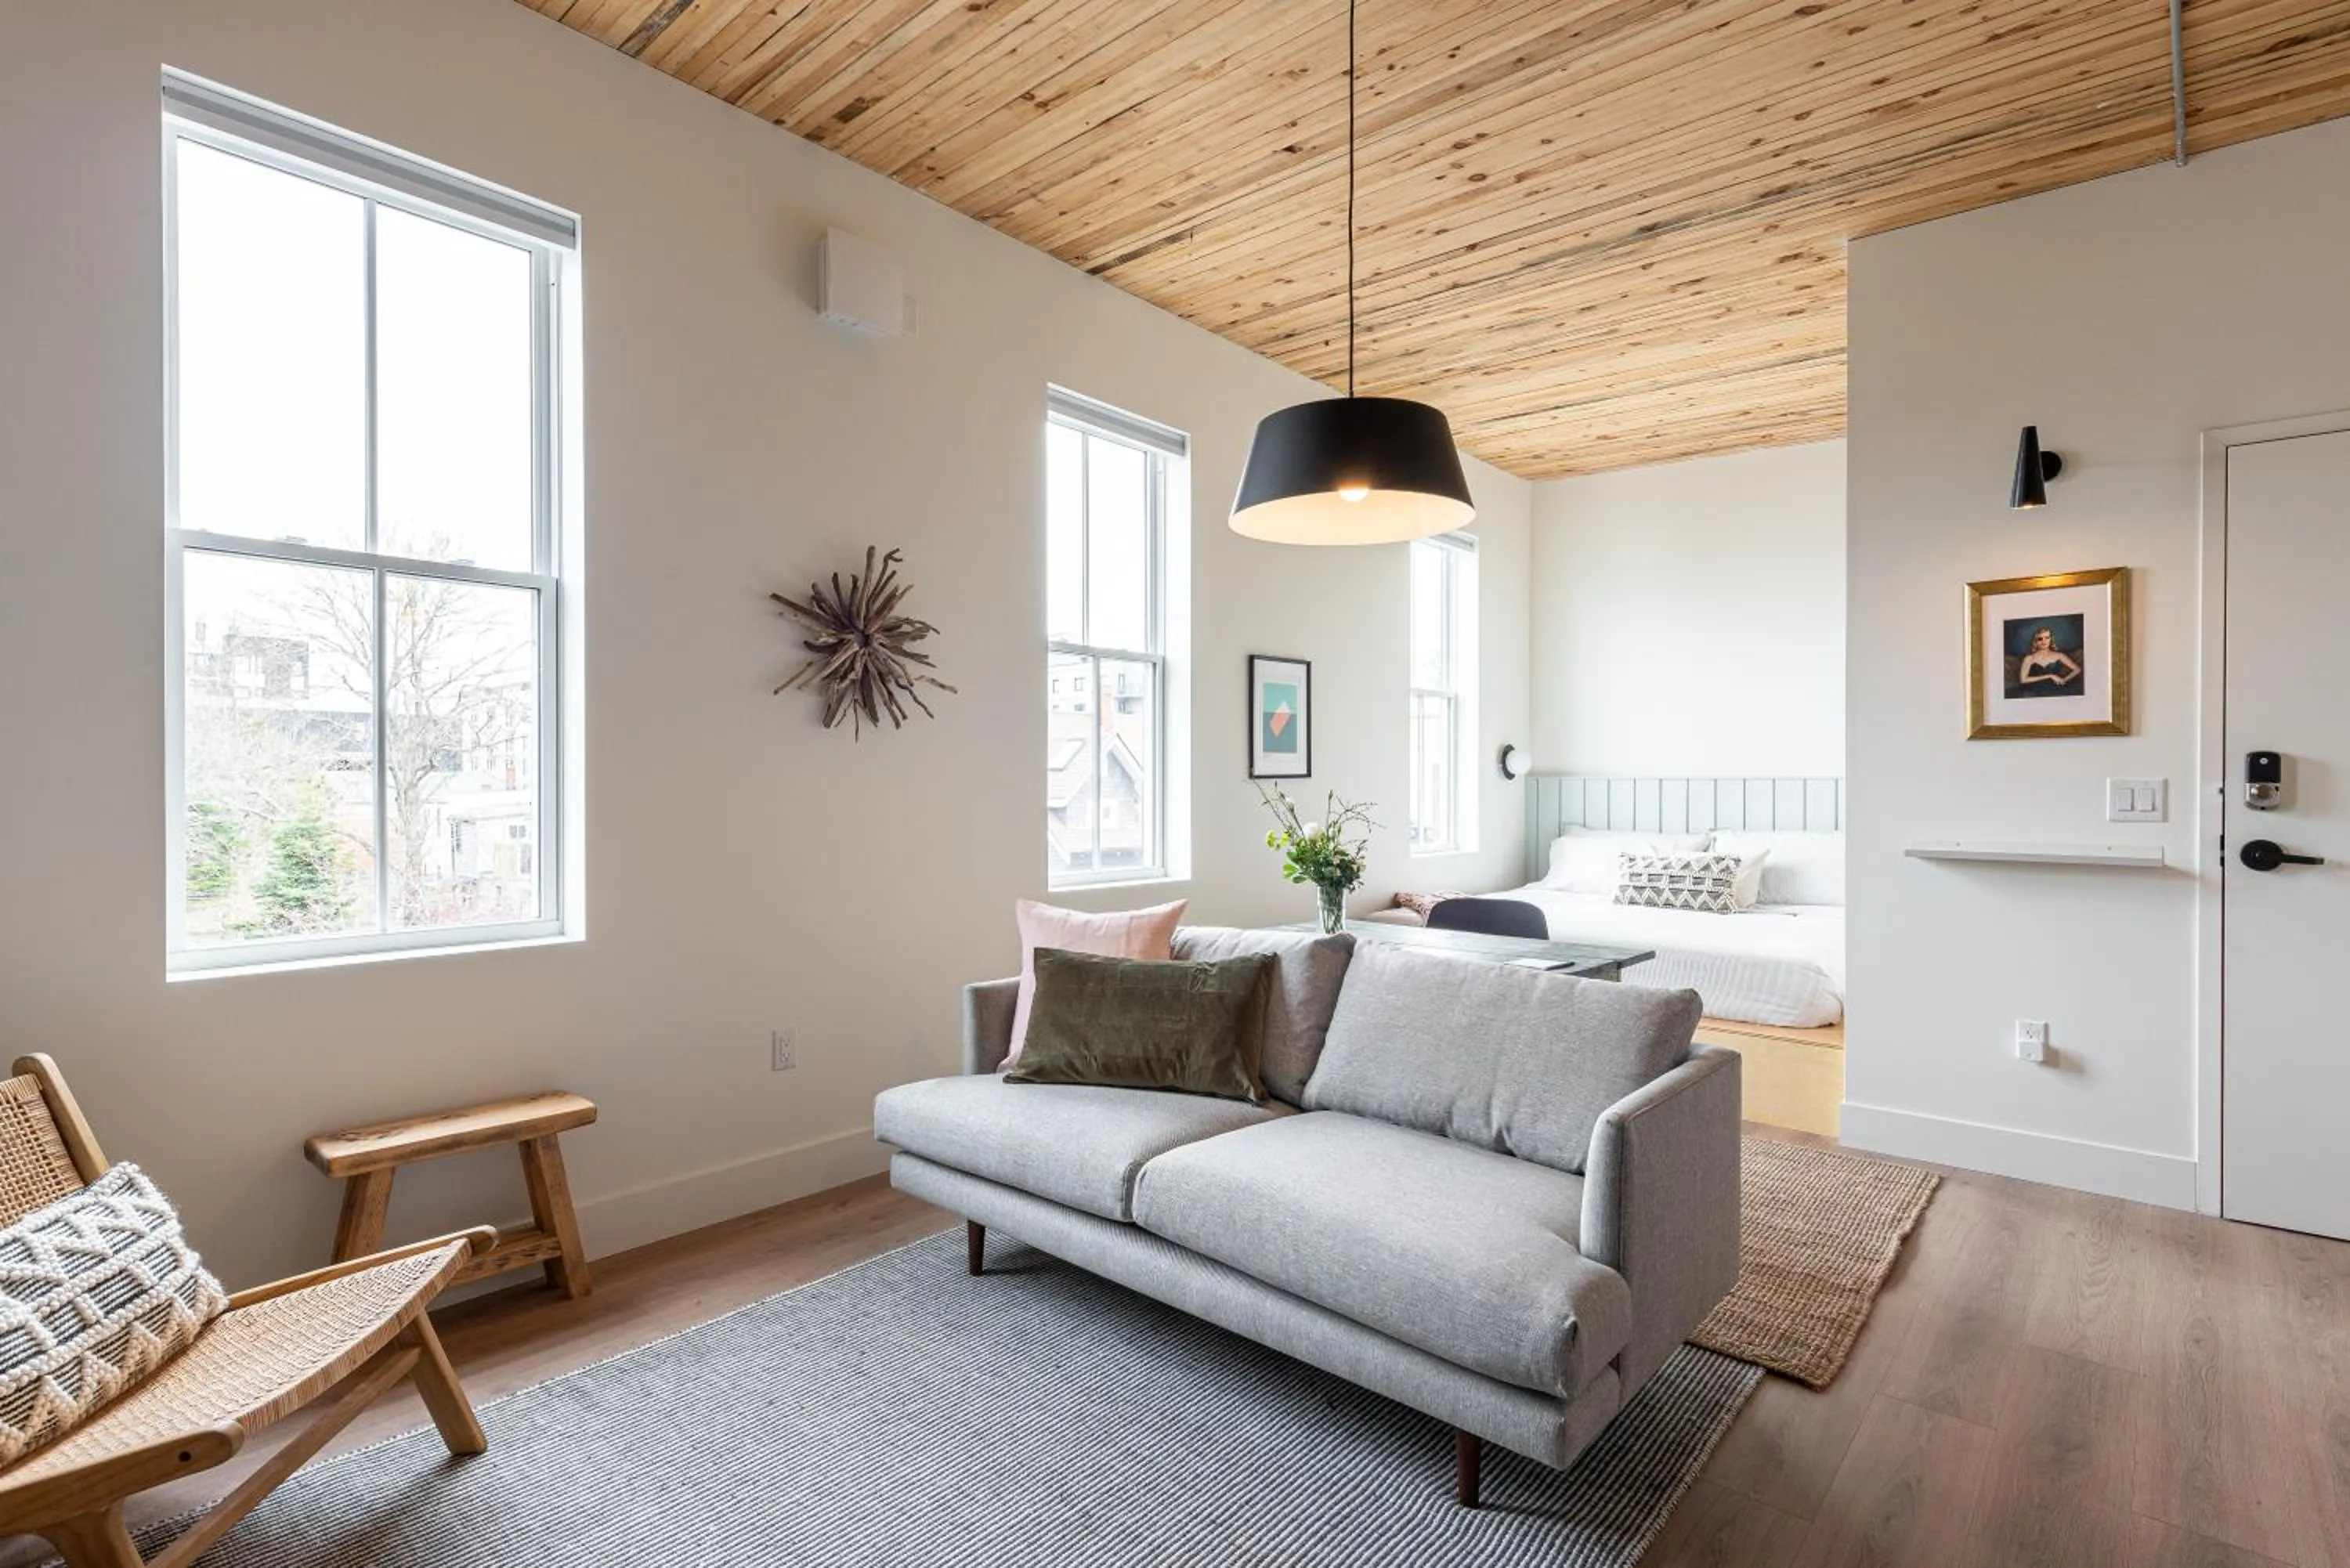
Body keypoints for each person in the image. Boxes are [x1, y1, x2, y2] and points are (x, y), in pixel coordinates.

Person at [2016, 625, 2081, 692]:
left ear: (2051, 639)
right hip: (2034, 690)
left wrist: (2064, 680)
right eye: (2040, 639)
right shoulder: (2029, 658)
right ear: (2035, 642)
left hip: (2056, 689)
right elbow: (2023, 680)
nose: (2044, 641)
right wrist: (2050, 676)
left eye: (2047, 638)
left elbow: (2077, 669)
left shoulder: (2060, 655)